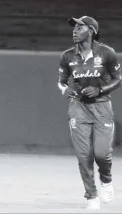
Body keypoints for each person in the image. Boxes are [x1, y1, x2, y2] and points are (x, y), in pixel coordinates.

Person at [58, 16, 121, 210]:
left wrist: (100, 90)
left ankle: (106, 180)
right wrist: (64, 89)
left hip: (102, 106)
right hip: (78, 107)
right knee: (84, 154)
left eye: (79, 27)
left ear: (91, 31)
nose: (74, 31)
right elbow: (61, 81)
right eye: (74, 28)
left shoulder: (107, 53)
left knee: (102, 153)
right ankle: (91, 196)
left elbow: (118, 79)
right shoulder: (67, 56)